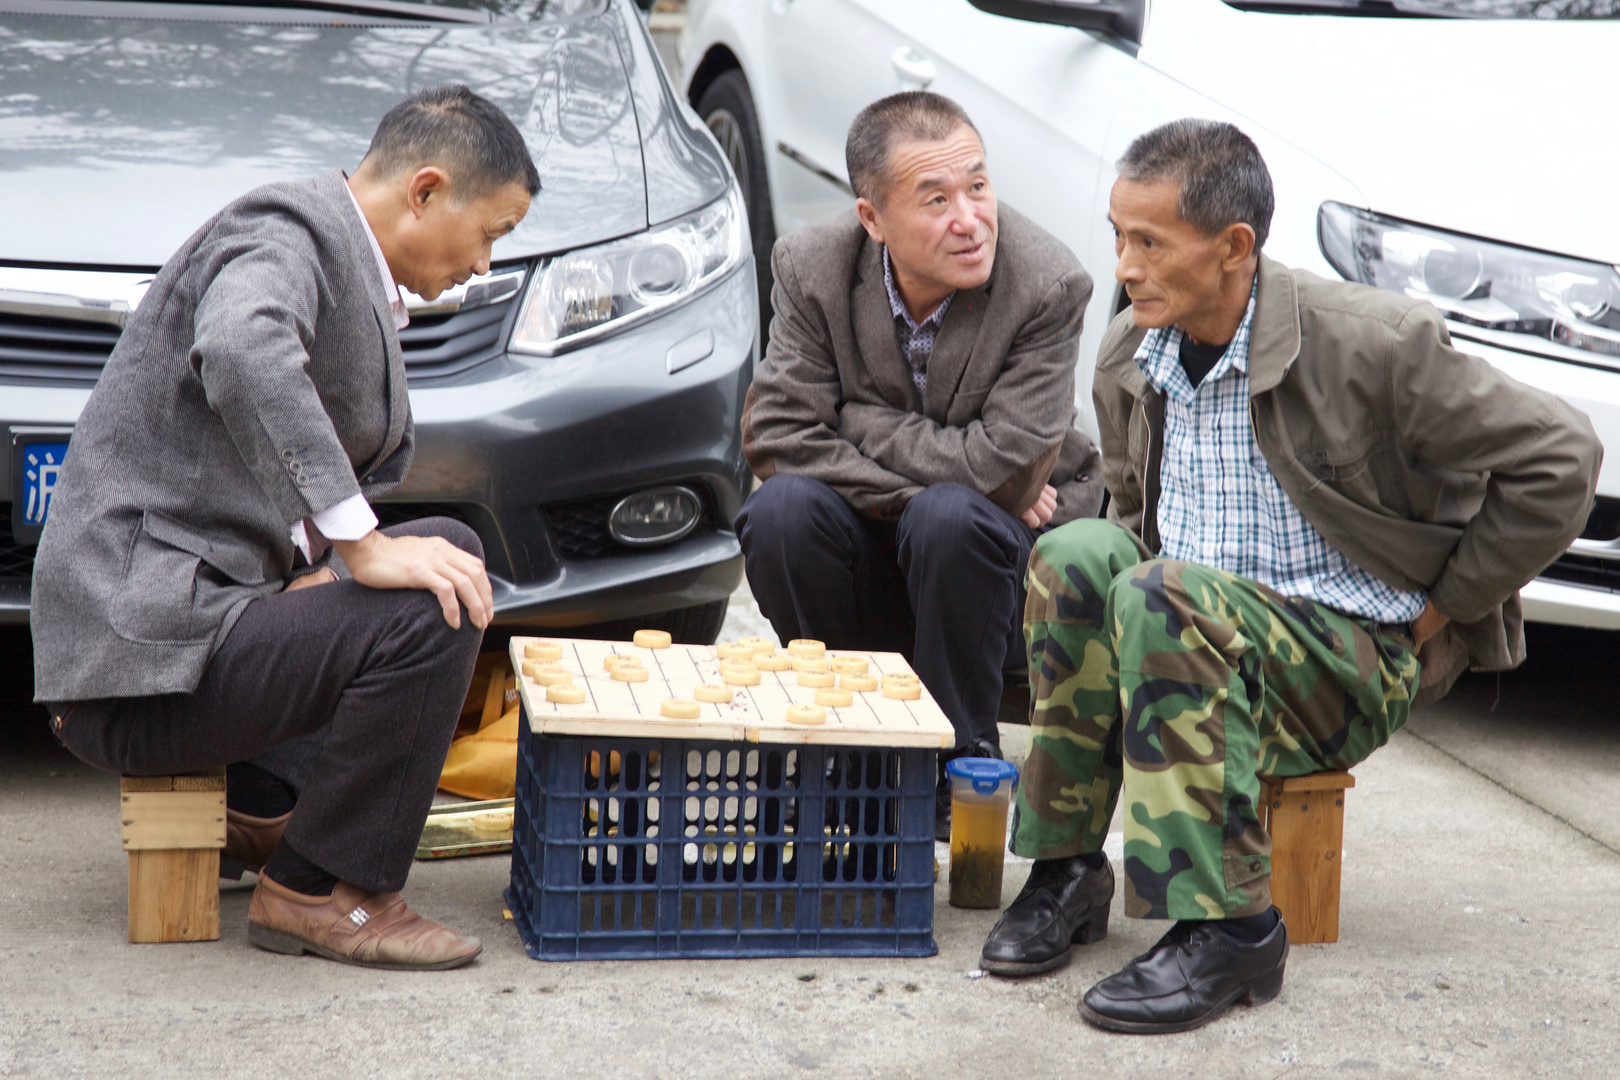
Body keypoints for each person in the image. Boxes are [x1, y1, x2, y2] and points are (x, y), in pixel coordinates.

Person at [980, 119, 1601, 1033]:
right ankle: (1069, 869)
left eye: (1150, 242)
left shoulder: (1371, 345)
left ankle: (1231, 928)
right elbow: (1129, 515)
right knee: (1076, 553)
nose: (1125, 267)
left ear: (1235, 248)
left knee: (1161, 594)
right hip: (1193, 636)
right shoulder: (1129, 358)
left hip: (1345, 658)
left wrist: (1443, 612)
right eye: (1118, 237)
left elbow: (1562, 457)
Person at [32, 85, 540, 971]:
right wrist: (361, 547)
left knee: (440, 557)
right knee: (428, 598)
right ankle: (321, 889)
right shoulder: (290, 230)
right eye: (491, 234)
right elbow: (240, 346)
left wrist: (320, 563)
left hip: (188, 637)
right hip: (139, 667)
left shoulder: (343, 256)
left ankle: (266, 803)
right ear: (425, 192)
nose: (487, 264)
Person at [735, 92, 1103, 837]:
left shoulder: (1047, 282)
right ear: (872, 220)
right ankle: (849, 742)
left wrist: (861, 422)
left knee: (953, 520)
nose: (969, 219)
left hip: (999, 571)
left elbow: (1005, 474)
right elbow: (775, 436)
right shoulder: (812, 265)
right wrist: (937, 485)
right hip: (898, 544)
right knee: (782, 511)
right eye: (935, 199)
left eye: (977, 186)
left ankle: (956, 760)